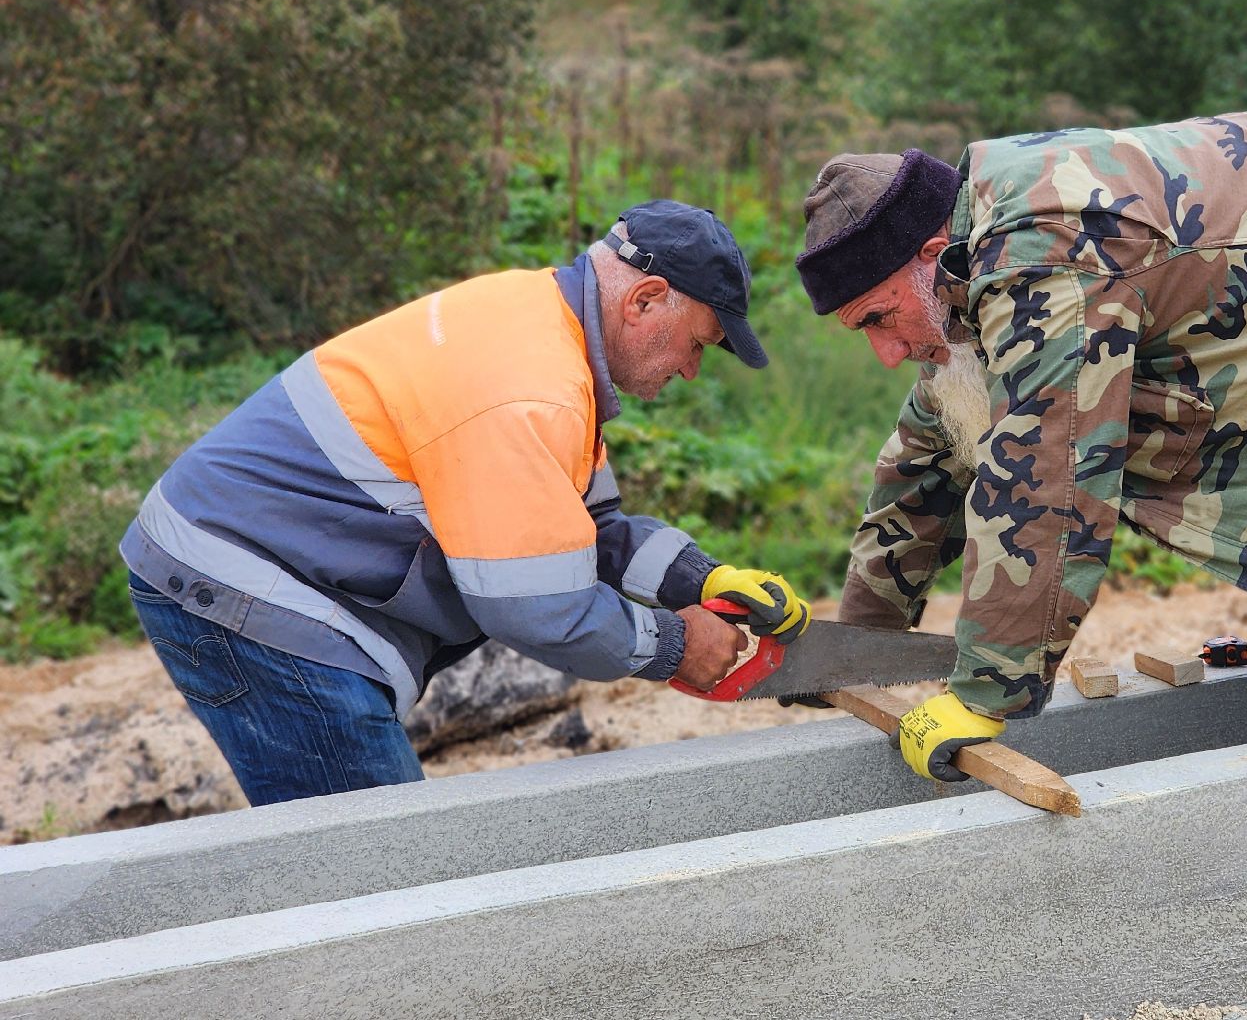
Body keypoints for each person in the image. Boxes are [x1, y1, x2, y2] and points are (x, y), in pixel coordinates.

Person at [794, 93, 1247, 782]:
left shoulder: (1041, 256)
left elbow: (1051, 478)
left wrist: (987, 692)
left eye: (877, 320)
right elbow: (928, 460)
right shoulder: (971, 261)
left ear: (928, 258)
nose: (886, 352)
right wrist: (859, 647)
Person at [120, 201, 810, 805]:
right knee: (381, 874)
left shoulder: (546, 332)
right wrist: (674, 645)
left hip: (257, 565)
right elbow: (538, 607)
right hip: (243, 583)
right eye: (696, 345)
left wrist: (703, 578)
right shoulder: (530, 388)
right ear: (645, 299)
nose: (690, 370)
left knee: (371, 870)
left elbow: (590, 533)